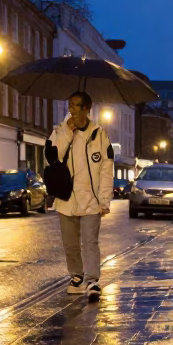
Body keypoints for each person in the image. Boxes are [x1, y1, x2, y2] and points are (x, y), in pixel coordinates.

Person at [47, 91, 114, 301]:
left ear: (87, 109)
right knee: (70, 243)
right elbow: (51, 157)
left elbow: (106, 167)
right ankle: (76, 276)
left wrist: (104, 199)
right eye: (70, 105)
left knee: (90, 241)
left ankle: (93, 280)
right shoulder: (59, 131)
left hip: (91, 199)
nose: (72, 109)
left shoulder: (99, 134)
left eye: (76, 105)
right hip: (67, 198)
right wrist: (67, 133)